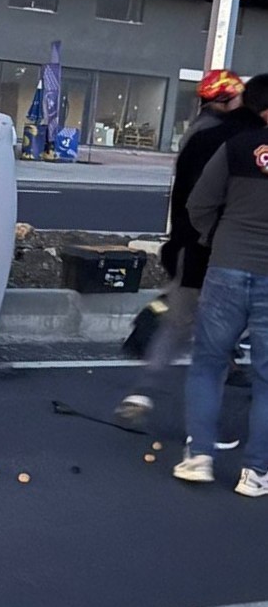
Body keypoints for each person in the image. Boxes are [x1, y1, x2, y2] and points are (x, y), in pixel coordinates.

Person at [115, 69, 254, 424]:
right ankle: (207, 426)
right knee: (223, 330)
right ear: (229, 99)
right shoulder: (240, 139)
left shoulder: (196, 135)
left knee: (178, 324)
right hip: (229, 252)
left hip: (189, 251)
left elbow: (186, 202)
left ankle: (143, 392)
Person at [173, 73, 268, 493]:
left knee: (209, 364)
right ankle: (256, 472)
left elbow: (199, 204)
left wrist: (215, 238)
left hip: (227, 266)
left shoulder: (237, 145)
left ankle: (199, 457)